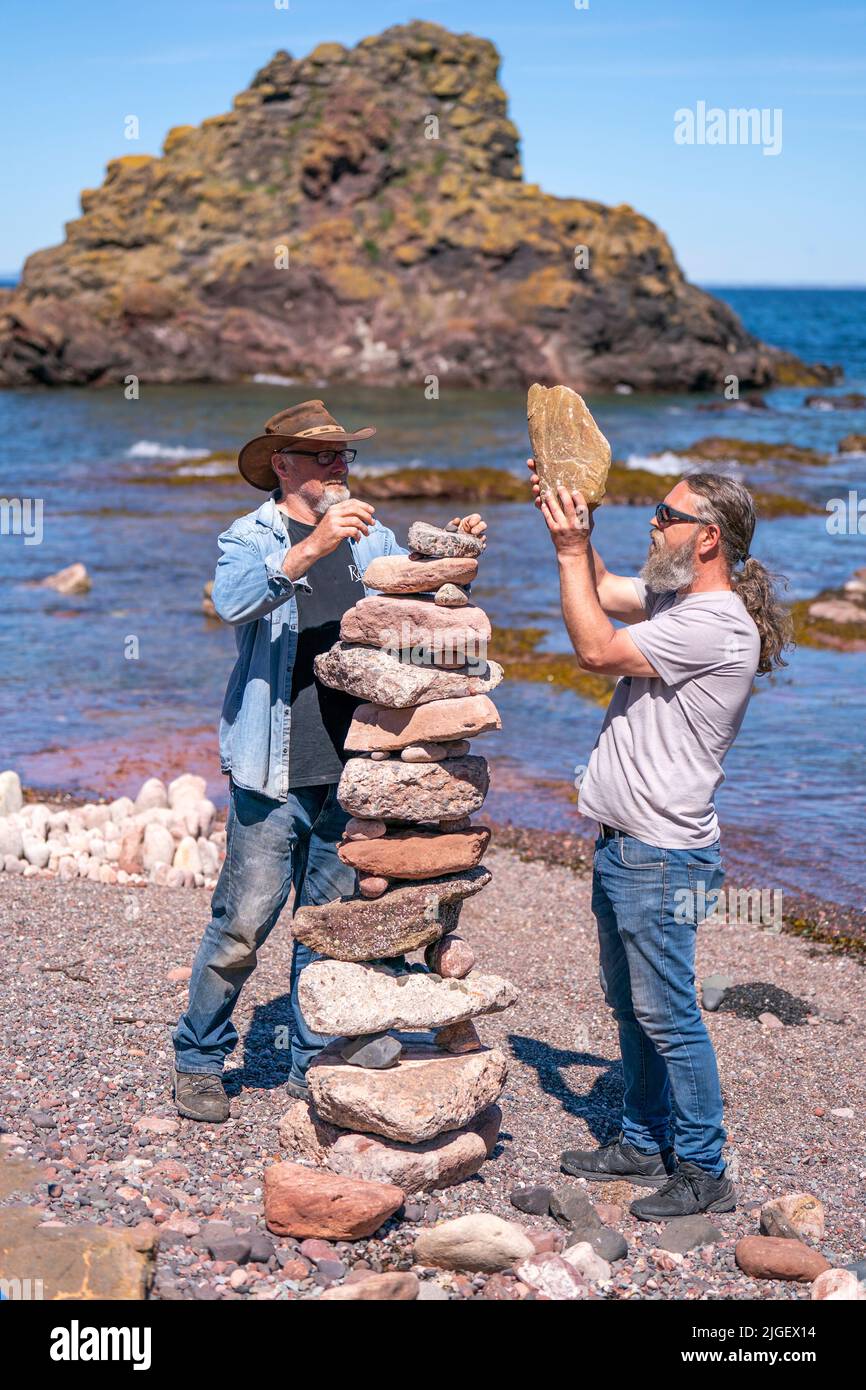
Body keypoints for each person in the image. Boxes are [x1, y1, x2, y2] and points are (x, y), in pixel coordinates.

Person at [172, 400, 485, 1121]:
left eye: (345, 455)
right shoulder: (248, 536)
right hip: (272, 768)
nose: (339, 466)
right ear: (282, 466)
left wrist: (454, 551)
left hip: (355, 771)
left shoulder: (368, 537)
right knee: (243, 923)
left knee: (330, 920)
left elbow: (417, 618)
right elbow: (233, 603)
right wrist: (309, 548)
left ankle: (311, 1053)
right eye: (323, 456)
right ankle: (198, 1056)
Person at [531, 464, 791, 1218]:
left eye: (664, 514)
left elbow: (594, 648)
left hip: (659, 853)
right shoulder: (678, 599)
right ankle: (644, 1144)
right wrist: (569, 512)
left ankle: (705, 1170)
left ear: (709, 537)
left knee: (670, 1013)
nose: (653, 522)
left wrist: (569, 548)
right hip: (625, 843)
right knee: (631, 1005)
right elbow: (604, 583)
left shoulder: (712, 624)